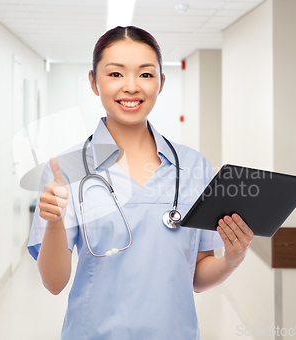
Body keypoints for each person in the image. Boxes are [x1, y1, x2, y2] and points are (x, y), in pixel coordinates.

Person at [28, 26, 254, 339]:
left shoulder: (192, 166)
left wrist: (232, 259)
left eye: (146, 75)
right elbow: (54, 283)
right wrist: (53, 222)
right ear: (94, 82)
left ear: (161, 82)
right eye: (116, 74)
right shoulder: (67, 168)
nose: (132, 87)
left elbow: (198, 276)